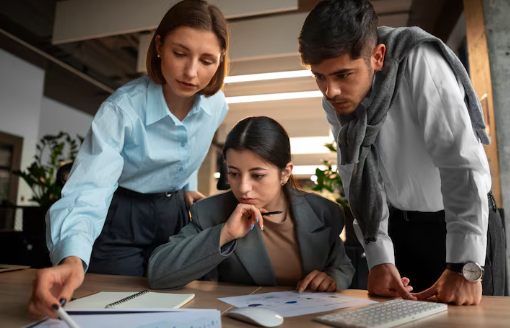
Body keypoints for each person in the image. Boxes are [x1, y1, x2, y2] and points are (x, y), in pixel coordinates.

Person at [29, 0, 230, 318]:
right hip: (120, 213)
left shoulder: (216, 106)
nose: (192, 72)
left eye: (207, 60)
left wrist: (183, 186)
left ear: (220, 62)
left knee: (185, 304)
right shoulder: (122, 109)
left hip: (174, 211)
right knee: (116, 308)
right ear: (160, 46)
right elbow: (89, 189)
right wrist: (71, 259)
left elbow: (187, 148)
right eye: (180, 53)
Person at [298, 0, 506, 305]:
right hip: (402, 231)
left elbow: (461, 164)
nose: (330, 91)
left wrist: (464, 266)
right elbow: (355, 175)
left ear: (378, 56)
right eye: (320, 76)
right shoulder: (337, 100)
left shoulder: (418, 59)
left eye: (343, 74)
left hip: (464, 226)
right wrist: (379, 257)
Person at [147, 116, 355, 290]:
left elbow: (341, 267)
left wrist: (332, 279)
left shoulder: (324, 212)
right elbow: (158, 273)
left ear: (285, 173)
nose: (243, 187)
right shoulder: (209, 211)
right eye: (234, 174)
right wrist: (224, 234)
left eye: (257, 175)